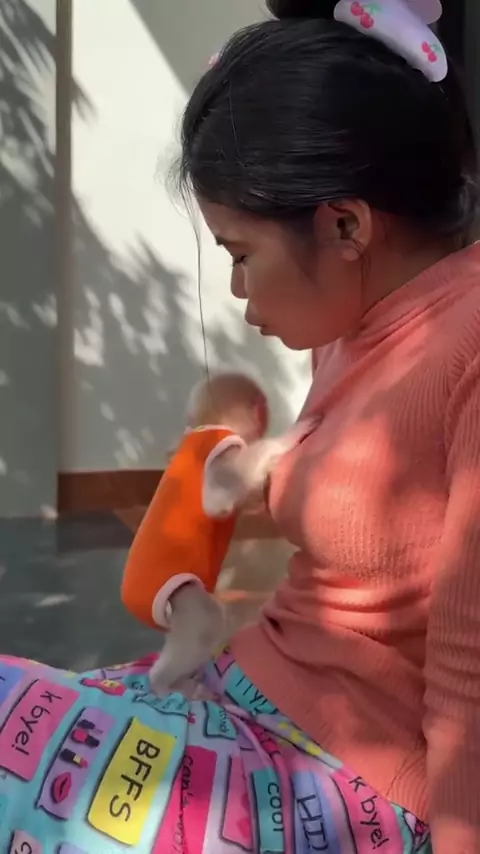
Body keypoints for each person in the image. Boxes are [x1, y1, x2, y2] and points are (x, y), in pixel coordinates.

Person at [1, 0, 479, 851]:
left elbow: (470, 673)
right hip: (248, 695)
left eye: (240, 253)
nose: (236, 290)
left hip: (346, 780)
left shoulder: (466, 348)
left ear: (345, 225)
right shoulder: (353, 328)